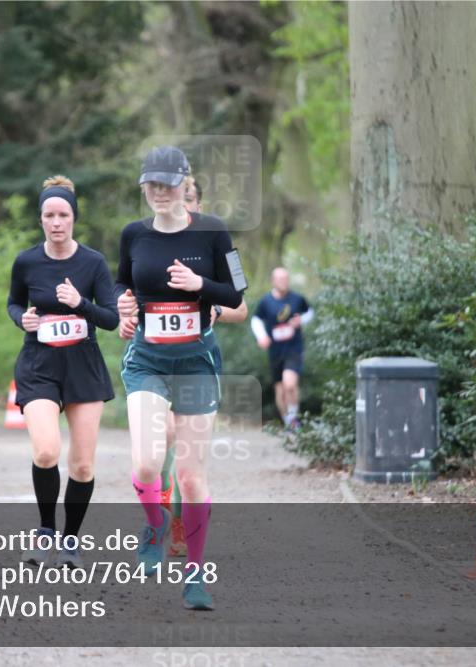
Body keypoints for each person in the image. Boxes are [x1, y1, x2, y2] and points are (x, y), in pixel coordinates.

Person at [117, 146, 244, 610]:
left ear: (184, 183)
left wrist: (200, 287)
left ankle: (195, 575)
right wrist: (123, 306)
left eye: (167, 184)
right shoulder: (133, 234)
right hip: (148, 359)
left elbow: (236, 293)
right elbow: (120, 284)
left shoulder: (213, 232)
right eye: (151, 184)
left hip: (196, 362)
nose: (159, 192)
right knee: (149, 464)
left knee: (190, 477)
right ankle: (154, 523)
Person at [8, 175, 119, 569]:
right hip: (39, 364)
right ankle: (44, 531)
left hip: (83, 366)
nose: (56, 222)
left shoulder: (92, 262)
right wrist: (24, 320)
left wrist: (80, 304)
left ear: (74, 218)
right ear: (41, 219)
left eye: (63, 215)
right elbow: (14, 304)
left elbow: (109, 318)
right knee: (46, 451)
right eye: (49, 215)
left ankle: (70, 540)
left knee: (83, 464)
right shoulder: (26, 261)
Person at [157, 175, 247, 557]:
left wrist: (215, 310)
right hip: (157, 360)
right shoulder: (150, 242)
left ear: (198, 202)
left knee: (185, 448)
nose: (184, 205)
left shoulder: (219, 243)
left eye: (190, 198)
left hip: (198, 358)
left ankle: (180, 520)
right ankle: (164, 511)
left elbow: (242, 308)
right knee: (162, 440)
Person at [251, 267, 313, 430]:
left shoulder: (297, 299)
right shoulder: (266, 301)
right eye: (279, 279)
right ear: (273, 281)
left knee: (290, 384)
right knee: (280, 389)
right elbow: (256, 320)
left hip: (294, 348)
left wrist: (302, 321)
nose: (283, 282)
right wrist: (262, 336)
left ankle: (294, 420)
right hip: (275, 351)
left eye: (285, 278)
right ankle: (289, 423)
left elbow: (310, 313)